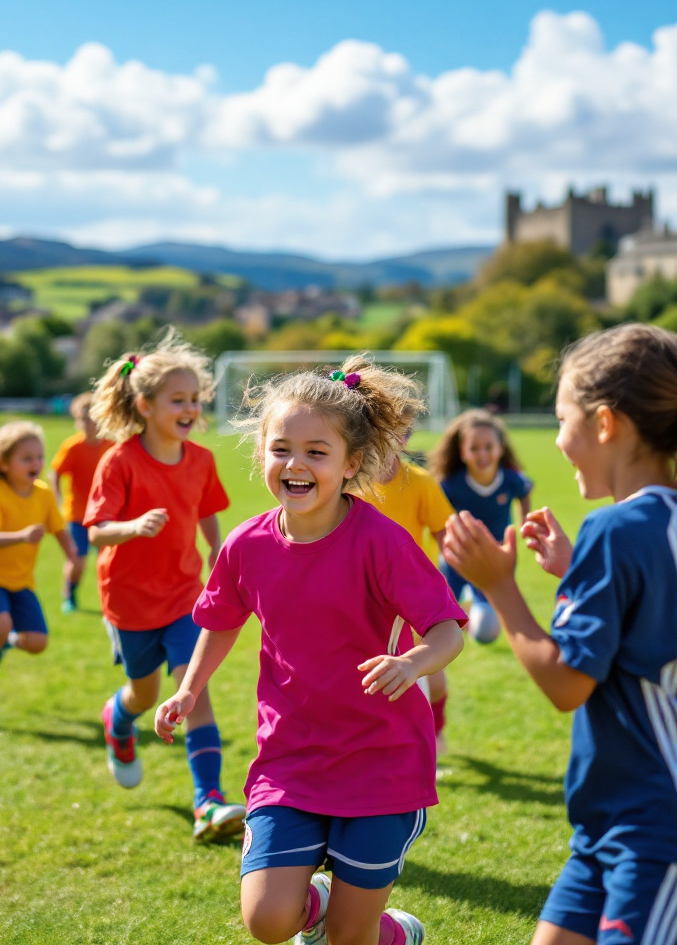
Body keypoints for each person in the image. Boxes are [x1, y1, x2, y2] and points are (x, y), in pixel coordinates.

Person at [442, 324, 677, 945]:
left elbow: (567, 683)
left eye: (562, 419)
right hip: (613, 826)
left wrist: (499, 587)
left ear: (605, 424)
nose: (559, 439)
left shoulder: (615, 531)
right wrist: (584, 575)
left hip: (673, 827)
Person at [155, 357, 467, 945]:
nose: (295, 464)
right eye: (281, 449)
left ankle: (390, 933)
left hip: (382, 763)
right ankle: (316, 903)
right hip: (290, 761)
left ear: (351, 464)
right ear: (262, 455)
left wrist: (412, 662)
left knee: (353, 940)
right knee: (268, 922)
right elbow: (220, 621)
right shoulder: (247, 545)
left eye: (316, 452)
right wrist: (188, 689)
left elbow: (447, 629)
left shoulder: (382, 542)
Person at [83, 329, 243, 843]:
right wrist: (131, 528)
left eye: (195, 399)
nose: (191, 408)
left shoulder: (201, 460)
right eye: (179, 399)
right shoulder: (119, 461)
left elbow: (208, 511)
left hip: (183, 597)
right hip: (128, 603)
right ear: (146, 405)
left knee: (192, 690)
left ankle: (208, 801)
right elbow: (96, 530)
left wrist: (218, 552)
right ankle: (119, 717)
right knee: (144, 692)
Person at [351, 410, 457, 758]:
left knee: (432, 678)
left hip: (414, 597)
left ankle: (434, 730)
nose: (394, 440)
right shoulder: (349, 483)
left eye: (402, 433)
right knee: (366, 675)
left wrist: (453, 581)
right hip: (362, 597)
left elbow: (445, 534)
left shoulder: (421, 482)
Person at [0, 421, 77, 724]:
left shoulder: (44, 494)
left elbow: (60, 530)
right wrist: (22, 536)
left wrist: (74, 556)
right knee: (0, 625)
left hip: (20, 580)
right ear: (4, 463)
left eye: (39, 456)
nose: (36, 463)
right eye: (26, 458)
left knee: (37, 642)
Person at [428, 409, 532, 644]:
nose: (482, 454)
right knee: (439, 622)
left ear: (500, 448)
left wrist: (526, 522)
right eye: (474, 448)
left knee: (485, 634)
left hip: (492, 562)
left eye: (488, 446)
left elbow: (526, 491)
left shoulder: (510, 479)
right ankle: (463, 598)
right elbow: (436, 517)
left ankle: (475, 602)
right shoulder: (450, 484)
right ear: (462, 452)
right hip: (456, 561)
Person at [49, 392, 114, 614]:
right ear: (78, 420)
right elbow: (55, 472)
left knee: (110, 562)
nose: (90, 423)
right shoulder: (72, 447)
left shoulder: (111, 446)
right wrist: (56, 496)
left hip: (106, 515)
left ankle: (112, 602)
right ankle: (70, 593)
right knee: (77, 561)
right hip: (77, 514)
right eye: (85, 418)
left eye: (94, 418)